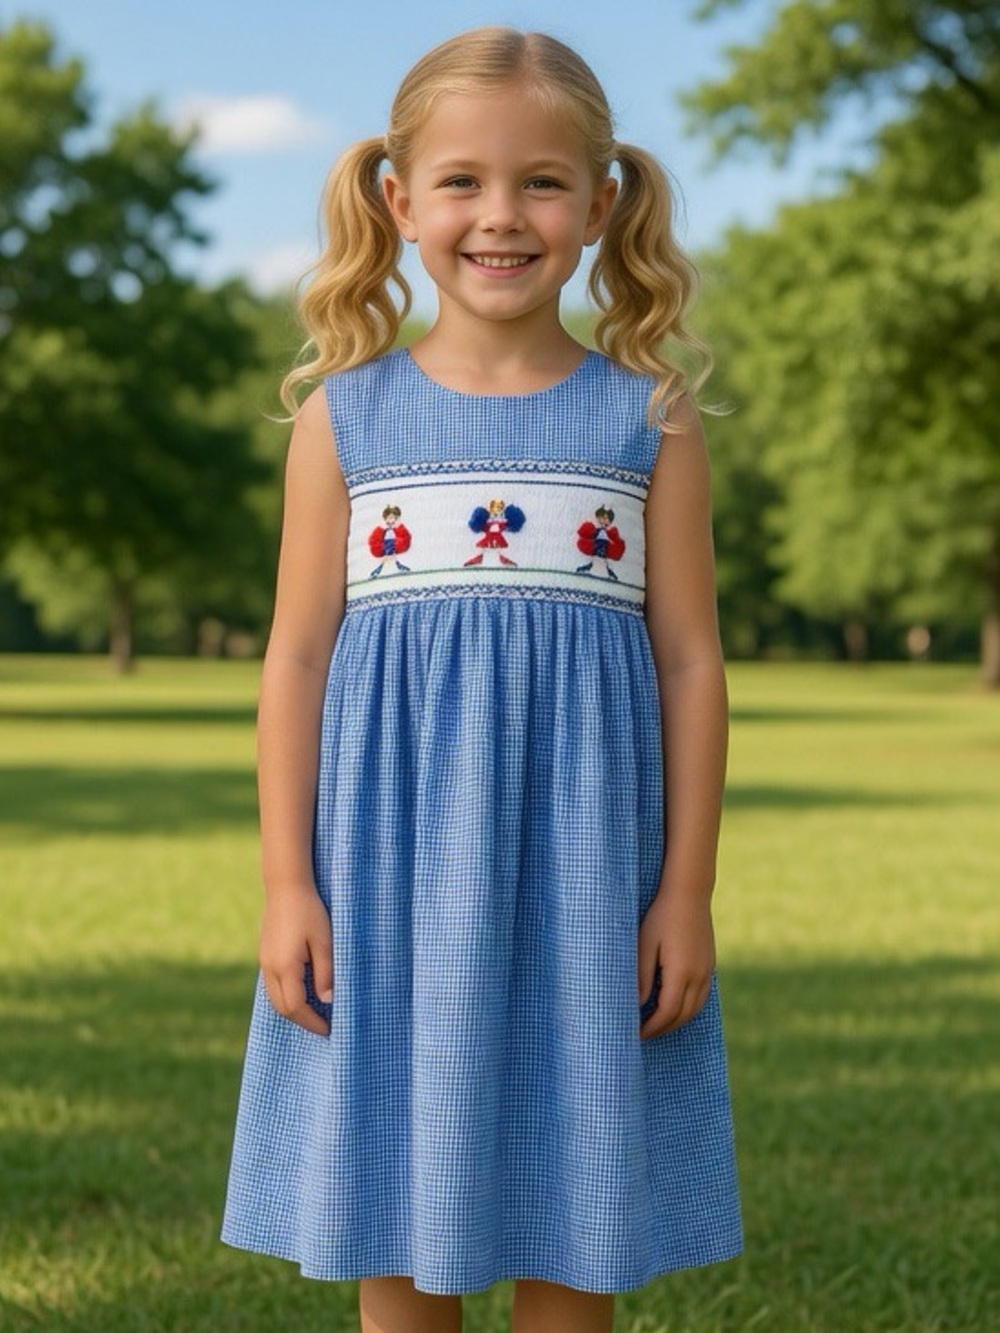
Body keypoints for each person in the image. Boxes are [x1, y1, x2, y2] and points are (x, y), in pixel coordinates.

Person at [222, 26, 742, 1333]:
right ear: (398, 202)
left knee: (575, 1158)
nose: (501, 216)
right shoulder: (348, 417)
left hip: (588, 871)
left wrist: (685, 889)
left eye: (542, 183)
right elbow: (295, 655)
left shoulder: (648, 416)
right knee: (400, 1170)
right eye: (460, 181)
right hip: (387, 869)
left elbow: (690, 657)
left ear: (601, 202)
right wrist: (290, 880)